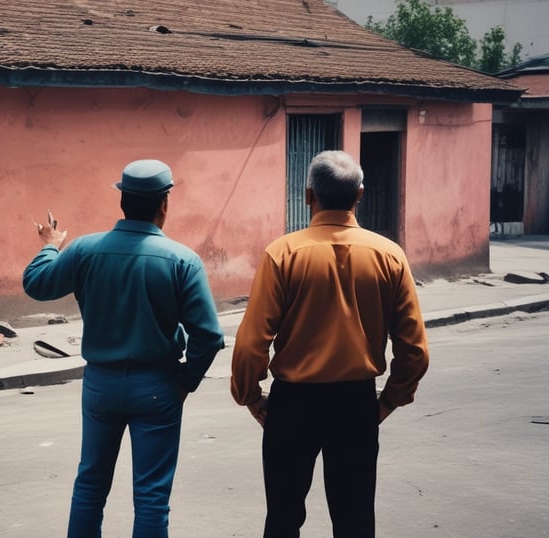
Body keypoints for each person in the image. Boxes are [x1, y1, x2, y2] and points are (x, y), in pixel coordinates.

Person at [230, 150, 430, 538]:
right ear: (360, 195)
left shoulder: (283, 253)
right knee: (355, 521)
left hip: (292, 404)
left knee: (284, 518)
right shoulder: (389, 255)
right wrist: (390, 399)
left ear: (309, 196)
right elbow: (414, 348)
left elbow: (252, 341)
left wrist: (251, 397)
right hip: (355, 404)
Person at [23, 159, 225, 538]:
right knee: (151, 496)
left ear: (122, 202)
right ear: (164, 204)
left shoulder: (85, 250)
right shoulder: (182, 260)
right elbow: (209, 336)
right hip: (158, 386)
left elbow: (36, 283)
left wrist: (50, 246)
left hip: (100, 384)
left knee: (90, 485)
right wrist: (185, 381)